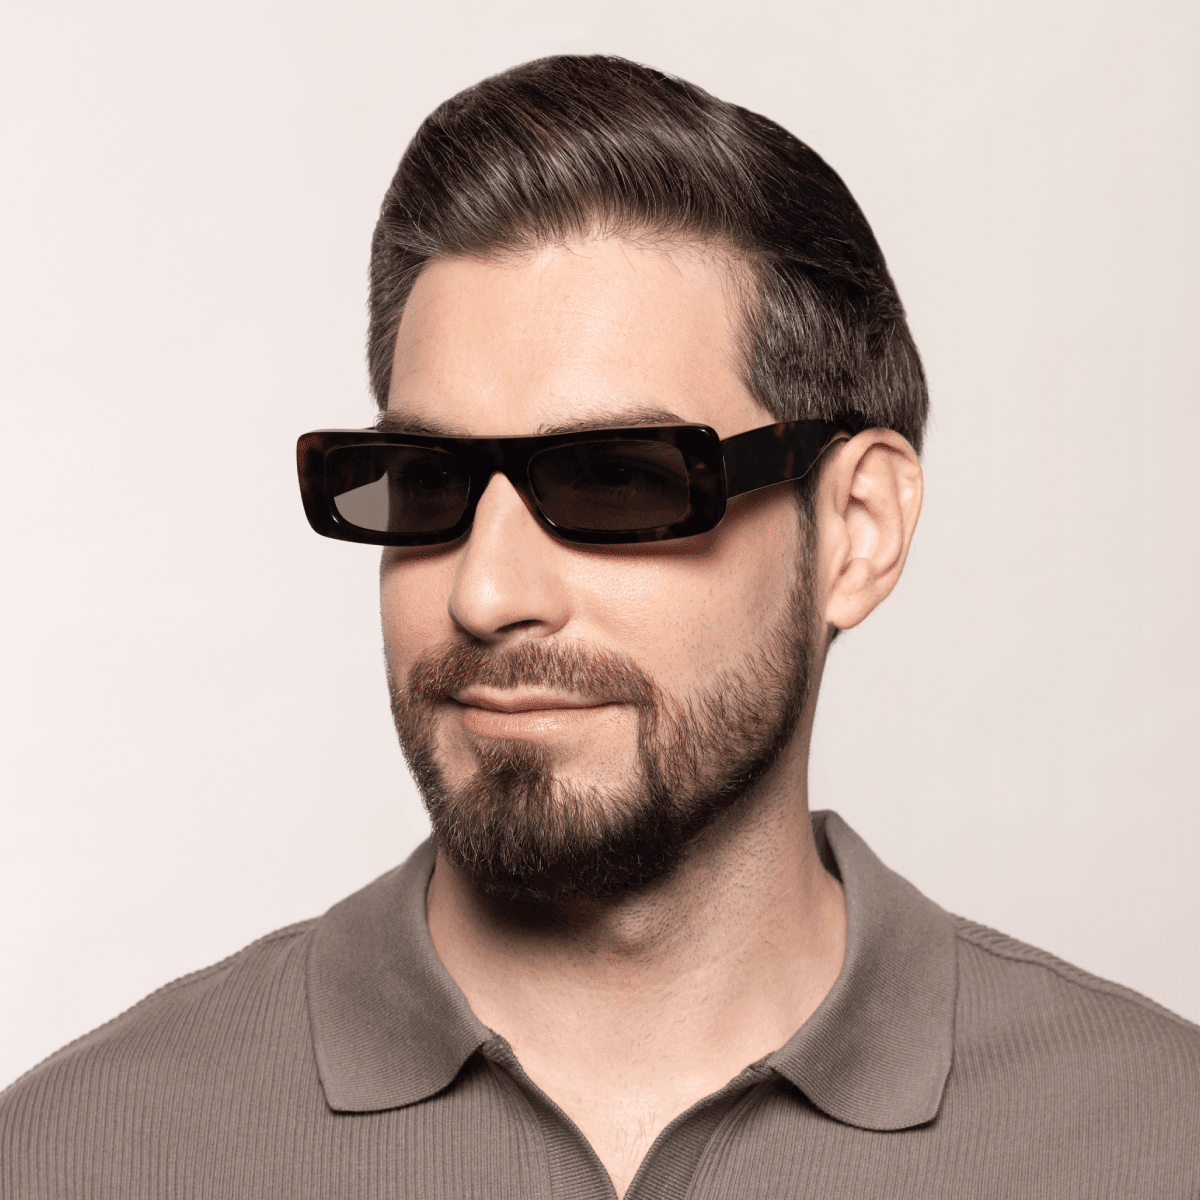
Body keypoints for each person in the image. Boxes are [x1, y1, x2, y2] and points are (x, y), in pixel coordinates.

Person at [2, 53, 1197, 1200]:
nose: (484, 594)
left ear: (856, 529)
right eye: (426, 481)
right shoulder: (74, 1159)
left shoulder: (1158, 1142)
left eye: (616, 481)